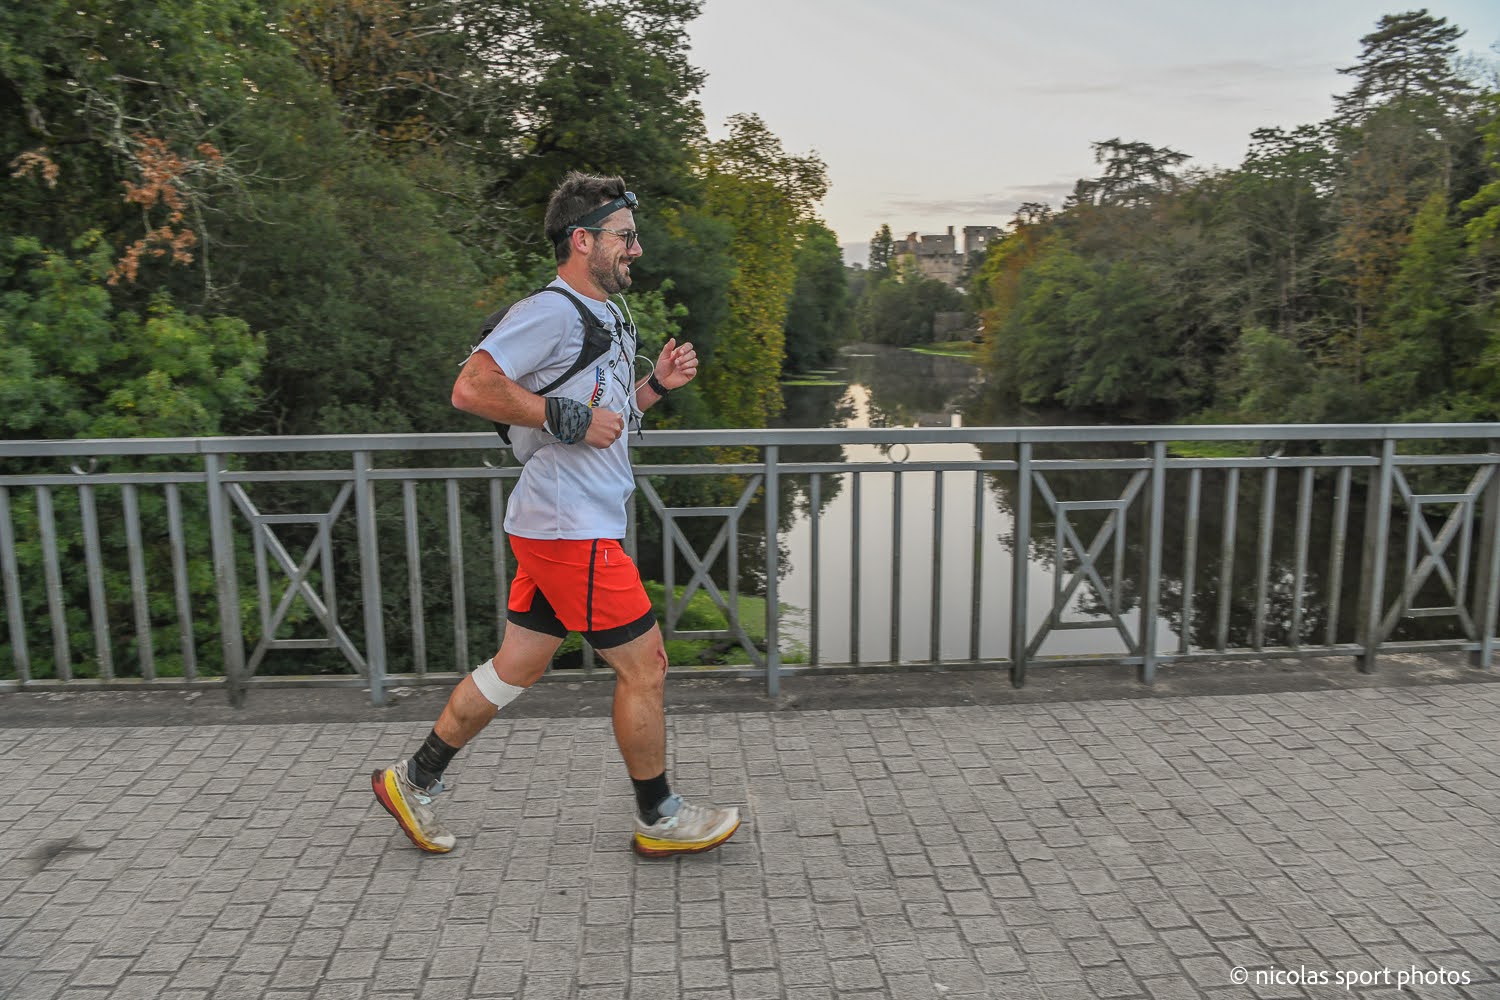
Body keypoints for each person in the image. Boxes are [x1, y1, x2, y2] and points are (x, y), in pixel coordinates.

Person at [371, 172, 740, 858]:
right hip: (572, 531)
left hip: (559, 525)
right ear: (583, 240)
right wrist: (564, 416)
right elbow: (472, 386)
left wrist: (655, 386)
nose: (637, 249)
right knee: (646, 667)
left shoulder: (607, 318)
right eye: (625, 237)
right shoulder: (552, 311)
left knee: (517, 666)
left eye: (634, 237)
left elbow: (611, 420)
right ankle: (660, 816)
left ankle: (414, 779)